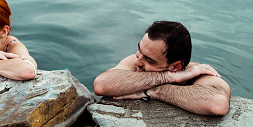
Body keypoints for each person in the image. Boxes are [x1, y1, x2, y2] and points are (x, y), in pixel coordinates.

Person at [93, 21, 231, 115]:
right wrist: (168, 77)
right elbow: (101, 85)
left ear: (176, 66)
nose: (137, 62)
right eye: (139, 49)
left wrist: (155, 91)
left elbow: (218, 104)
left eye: (149, 60)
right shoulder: (136, 60)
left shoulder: (200, 73)